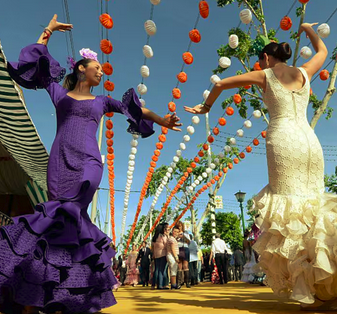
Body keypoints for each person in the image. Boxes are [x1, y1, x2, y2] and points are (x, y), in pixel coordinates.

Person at [0, 14, 183, 314]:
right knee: (58, 224)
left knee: (71, 212)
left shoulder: (102, 101)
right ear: (82, 69)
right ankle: (58, 290)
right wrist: (48, 30)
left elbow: (134, 108)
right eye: (96, 68)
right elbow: (37, 60)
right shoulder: (58, 92)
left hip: (88, 162)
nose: (101, 72)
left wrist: (162, 120)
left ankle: (70, 291)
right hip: (59, 162)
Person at [185, 22, 337, 310]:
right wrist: (307, 28)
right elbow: (323, 49)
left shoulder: (266, 73)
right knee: (314, 209)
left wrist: (205, 108)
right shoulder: (304, 72)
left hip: (282, 141)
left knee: (289, 214)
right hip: (310, 143)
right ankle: (327, 286)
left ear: (266, 58)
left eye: (259, 60)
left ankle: (310, 292)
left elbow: (219, 84)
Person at [151, 223, 169, 289]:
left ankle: (154, 284)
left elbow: (152, 247)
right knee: (162, 270)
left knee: (156, 270)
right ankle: (162, 284)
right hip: (163, 254)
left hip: (156, 255)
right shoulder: (162, 236)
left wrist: (153, 254)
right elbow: (166, 244)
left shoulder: (154, 237)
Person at [176, 221, 191, 288]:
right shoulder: (175, 233)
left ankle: (187, 282)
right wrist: (177, 237)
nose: (179, 227)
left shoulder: (186, 233)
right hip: (178, 249)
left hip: (185, 248)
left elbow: (189, 242)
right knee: (179, 266)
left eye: (180, 226)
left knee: (185, 265)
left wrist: (183, 237)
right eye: (178, 226)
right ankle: (179, 282)